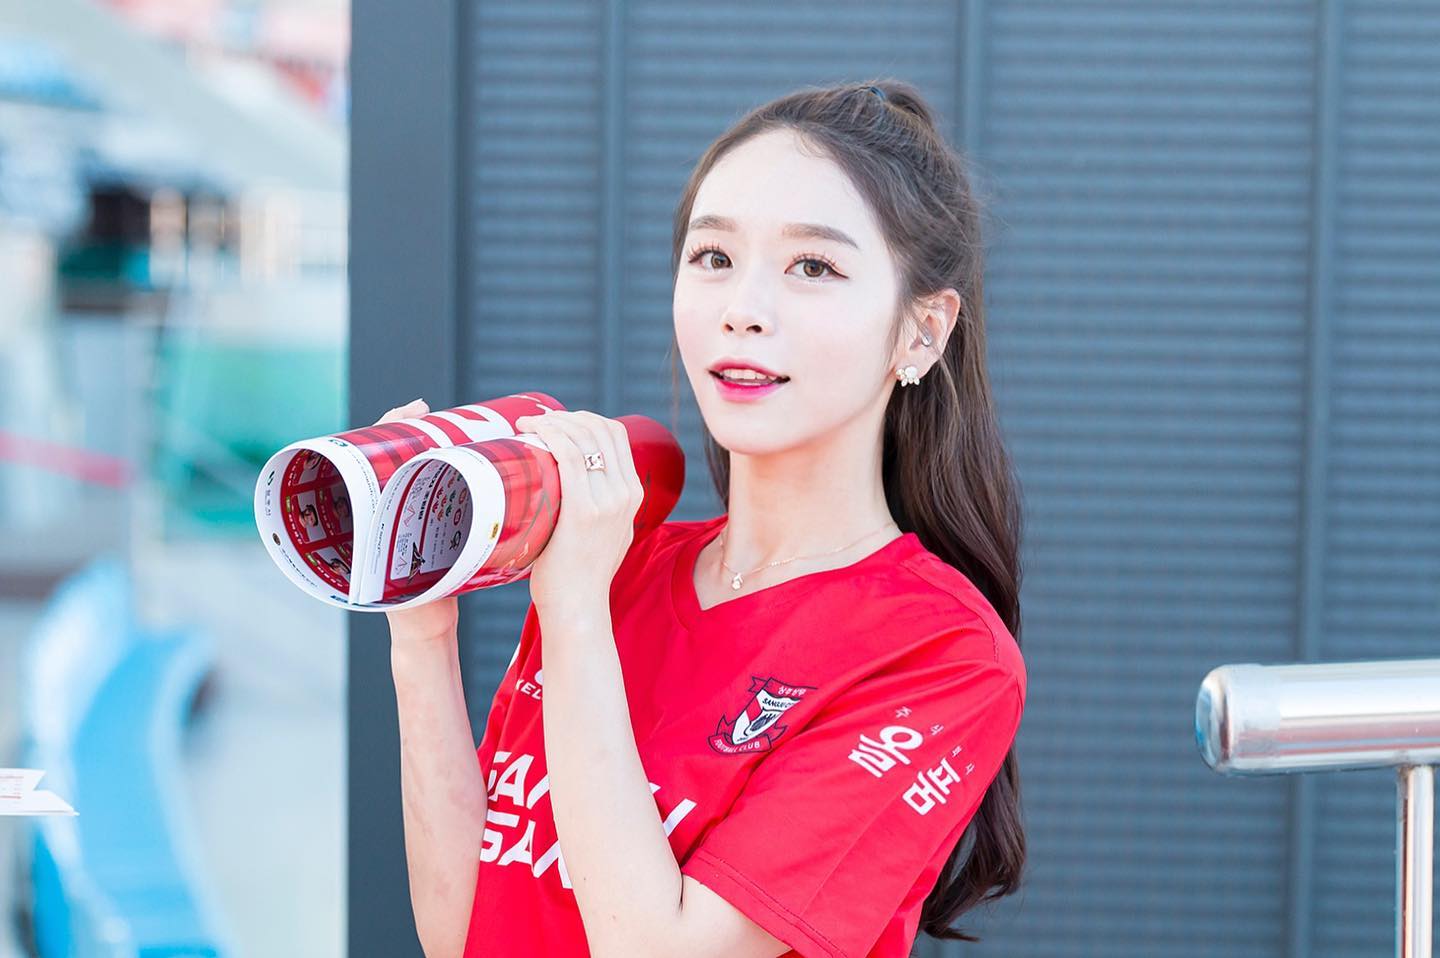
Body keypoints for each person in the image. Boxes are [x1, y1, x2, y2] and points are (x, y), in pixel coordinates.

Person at [381, 78, 1028, 958]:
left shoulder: (939, 652)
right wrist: (421, 631)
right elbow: (466, 929)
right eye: (714, 256)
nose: (742, 311)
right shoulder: (617, 568)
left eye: (813, 267)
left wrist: (574, 610)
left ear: (922, 331)